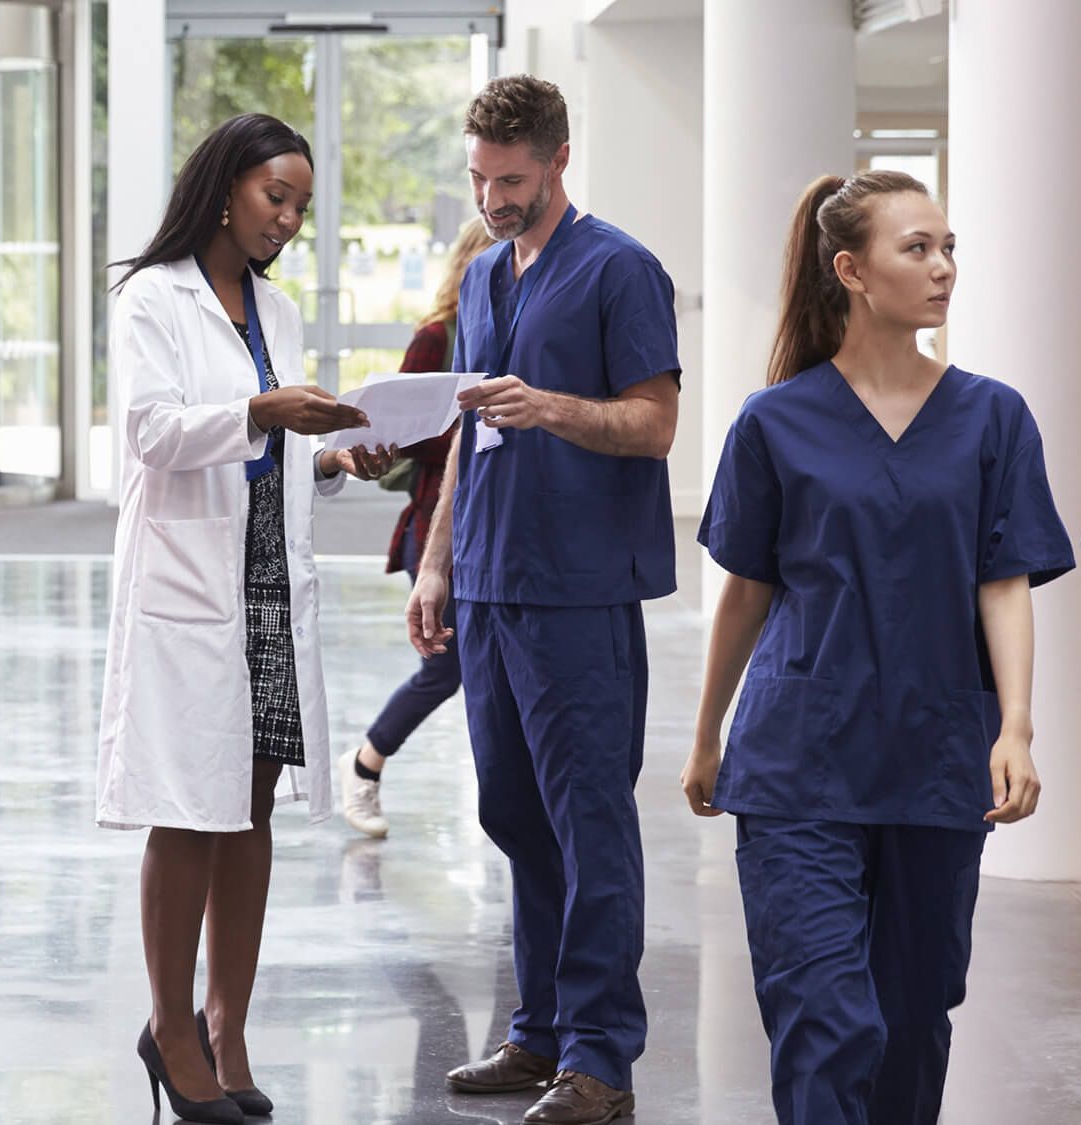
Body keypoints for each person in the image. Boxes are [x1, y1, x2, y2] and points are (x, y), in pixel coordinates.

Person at [681, 170, 1072, 1125]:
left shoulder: (993, 417)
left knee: (911, 1020)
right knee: (825, 1017)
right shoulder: (774, 421)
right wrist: (707, 733)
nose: (944, 268)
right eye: (918, 248)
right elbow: (747, 590)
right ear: (851, 271)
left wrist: (1017, 726)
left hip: (935, 756)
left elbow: (1003, 580)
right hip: (798, 761)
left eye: (949, 248)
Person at [99, 112, 394, 1125]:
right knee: (189, 805)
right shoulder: (153, 296)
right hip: (191, 585)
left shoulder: (276, 308)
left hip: (266, 577)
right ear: (225, 189)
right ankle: (169, 1027)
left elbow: (277, 451)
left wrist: (334, 456)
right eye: (276, 197)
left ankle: (226, 1023)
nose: (288, 219)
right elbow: (151, 433)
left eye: (301, 206)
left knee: (252, 803)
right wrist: (264, 415)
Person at [406, 75, 680, 1125]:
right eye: (479, 179)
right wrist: (437, 561)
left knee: (589, 822)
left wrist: (553, 408)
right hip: (486, 581)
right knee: (514, 814)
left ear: (559, 160)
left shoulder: (621, 270)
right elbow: (468, 433)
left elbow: (654, 424)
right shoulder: (483, 276)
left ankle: (599, 1056)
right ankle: (540, 1032)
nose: (492, 199)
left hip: (577, 589)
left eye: (511, 180)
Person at [339, 216, 494, 838]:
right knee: (445, 668)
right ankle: (365, 763)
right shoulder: (438, 336)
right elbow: (393, 429)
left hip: (497, 531)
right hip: (436, 527)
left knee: (483, 670)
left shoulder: (516, 331)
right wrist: (469, 425)